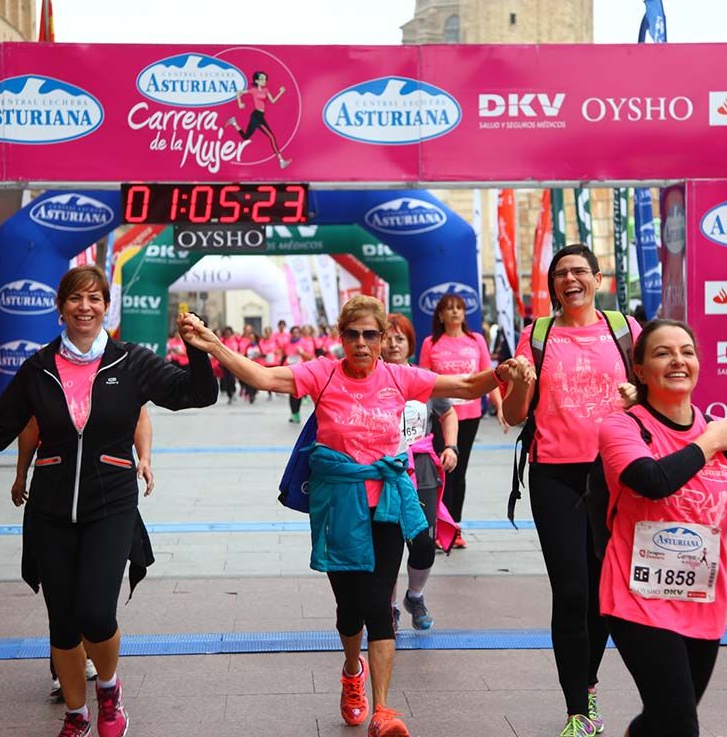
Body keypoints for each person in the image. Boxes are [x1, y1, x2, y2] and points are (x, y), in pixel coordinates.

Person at [0, 265, 218, 737]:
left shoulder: (132, 362)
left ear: (107, 307)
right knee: (62, 625)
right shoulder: (38, 368)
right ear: (60, 307)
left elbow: (199, 395)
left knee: (96, 615)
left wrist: (197, 350)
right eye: (75, 298)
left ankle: (109, 690)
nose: (85, 307)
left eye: (95, 299)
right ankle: (77, 715)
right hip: (50, 511)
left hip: (111, 506)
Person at [180, 295, 533, 737]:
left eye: (370, 335)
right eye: (353, 334)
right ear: (341, 337)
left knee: (379, 605)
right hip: (338, 505)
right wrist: (214, 345)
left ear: (382, 338)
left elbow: (463, 386)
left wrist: (501, 373)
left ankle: (383, 711)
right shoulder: (323, 373)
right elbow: (264, 376)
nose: (362, 343)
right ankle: (352, 670)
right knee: (349, 610)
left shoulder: (399, 376)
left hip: (386, 503)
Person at [597, 319, 727, 737]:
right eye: (663, 353)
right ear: (640, 371)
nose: (678, 360)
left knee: (663, 718)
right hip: (636, 597)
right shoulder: (623, 426)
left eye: (687, 352)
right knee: (680, 723)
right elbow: (653, 481)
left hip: (702, 601)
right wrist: (709, 442)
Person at [502, 244, 643, 736]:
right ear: (553, 286)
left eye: (579, 271)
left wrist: (638, 396)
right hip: (555, 476)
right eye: (561, 274)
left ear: (598, 279)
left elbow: (654, 398)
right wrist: (521, 382)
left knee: (603, 593)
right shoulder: (536, 335)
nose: (570, 279)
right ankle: (577, 710)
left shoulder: (625, 330)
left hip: (615, 475)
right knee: (571, 589)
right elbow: (513, 414)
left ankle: (588, 680)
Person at [13, 407, 156, 702]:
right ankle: (66, 678)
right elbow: (29, 425)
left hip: (107, 495)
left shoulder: (120, 377)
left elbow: (139, 415)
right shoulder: (45, 379)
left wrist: (144, 458)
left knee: (94, 600)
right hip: (54, 494)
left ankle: (100, 672)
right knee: (61, 597)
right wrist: (21, 474)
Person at [383, 313, 459, 632]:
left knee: (424, 543)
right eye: (386, 338)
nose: (393, 344)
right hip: (383, 471)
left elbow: (449, 412)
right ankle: (388, 608)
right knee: (387, 546)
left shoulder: (425, 379)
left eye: (400, 338)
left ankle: (415, 596)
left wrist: (451, 447)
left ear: (410, 344)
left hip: (422, 469)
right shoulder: (369, 379)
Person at [418, 293, 504, 548]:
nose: (455, 312)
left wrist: (500, 407)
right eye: (449, 308)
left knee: (459, 472)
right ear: (440, 315)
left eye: (459, 308)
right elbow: (423, 381)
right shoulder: (431, 343)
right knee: (442, 471)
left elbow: (490, 376)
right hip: (442, 416)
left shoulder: (476, 340)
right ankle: (437, 527)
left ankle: (454, 528)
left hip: (470, 415)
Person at [227, 70, 291, 169]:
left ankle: (234, 122)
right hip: (256, 116)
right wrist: (239, 103)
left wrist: (281, 92)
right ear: (256, 81)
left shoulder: (266, 90)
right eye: (261, 79)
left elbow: (273, 101)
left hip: (259, 116)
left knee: (245, 137)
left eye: (265, 79)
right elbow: (238, 92)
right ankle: (281, 161)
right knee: (272, 137)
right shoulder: (253, 90)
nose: (264, 80)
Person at [283, 325, 315, 423]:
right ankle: (294, 414)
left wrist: (301, 353)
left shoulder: (304, 343)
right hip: (289, 371)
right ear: (291, 334)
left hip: (301, 371)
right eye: (293, 332)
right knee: (291, 393)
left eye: (297, 332)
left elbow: (310, 357)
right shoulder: (287, 344)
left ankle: (296, 413)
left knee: (297, 393)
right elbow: (285, 356)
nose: (295, 334)